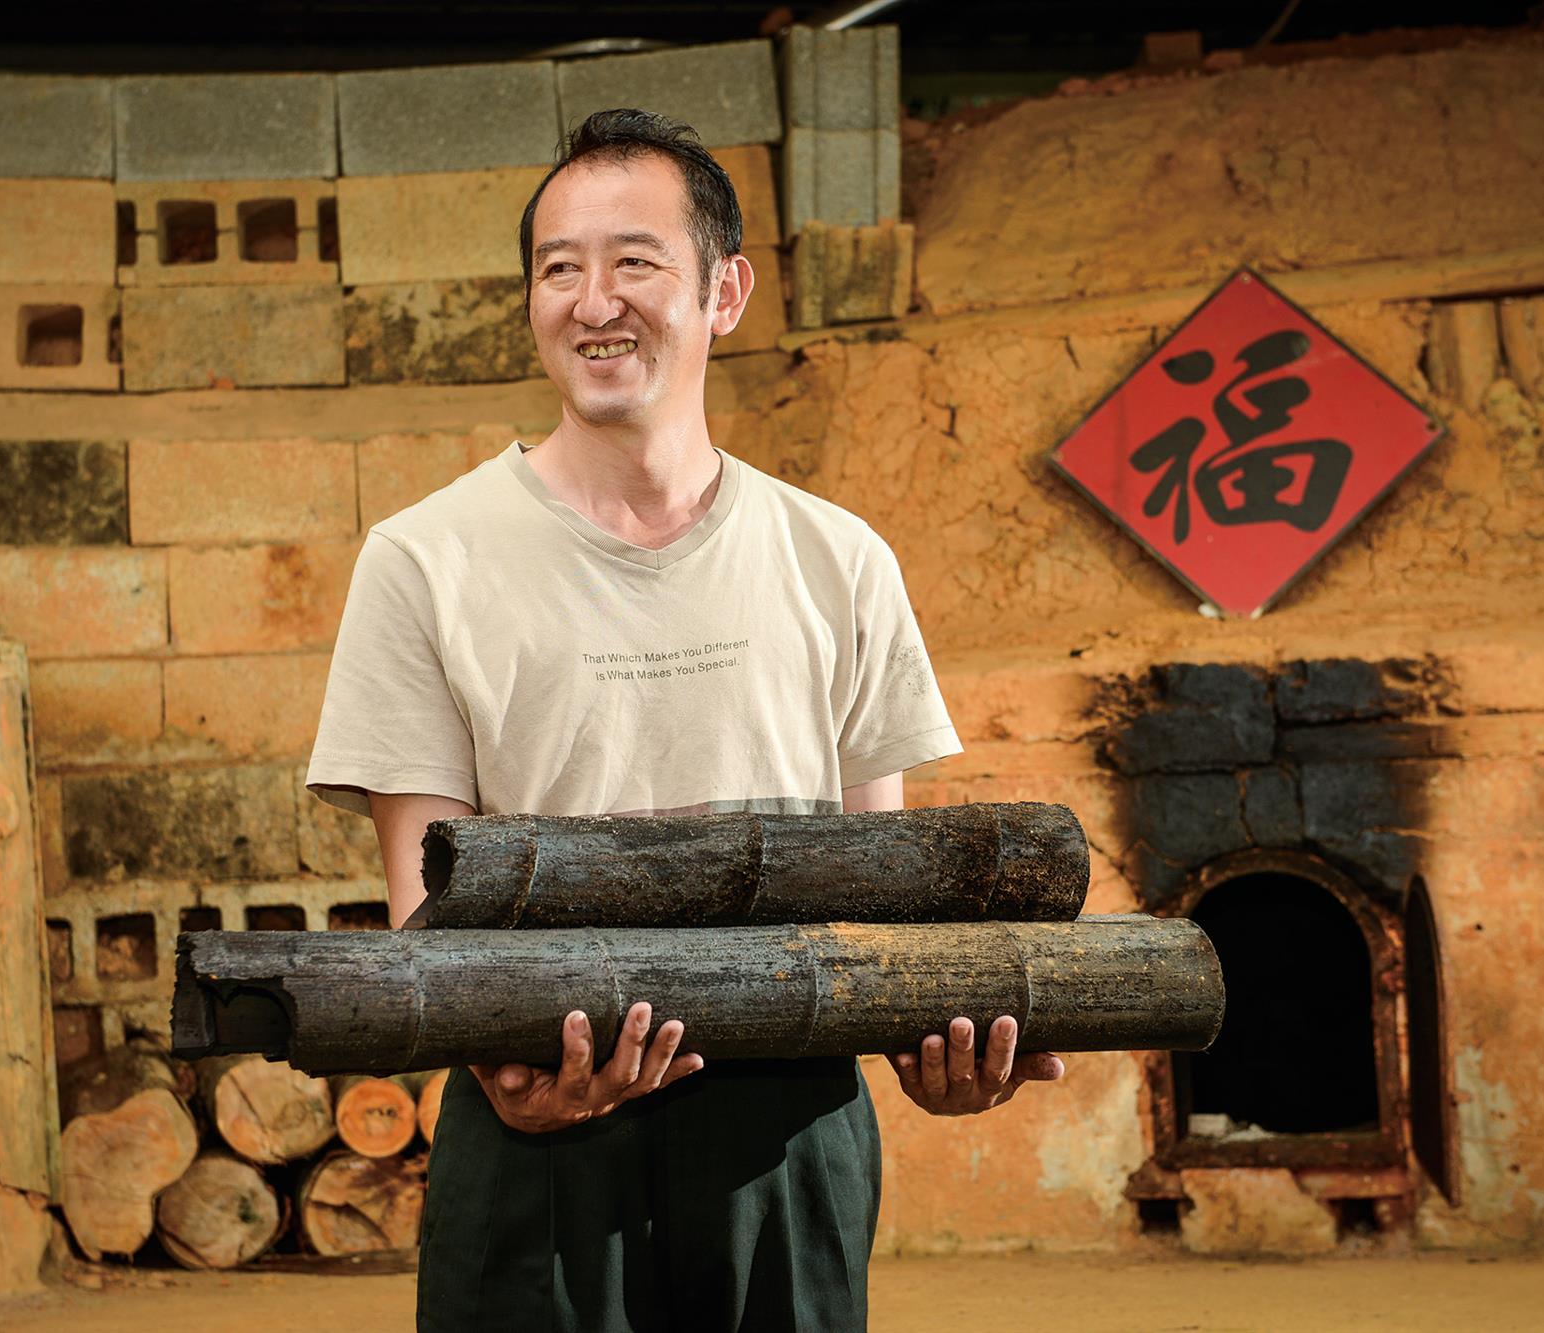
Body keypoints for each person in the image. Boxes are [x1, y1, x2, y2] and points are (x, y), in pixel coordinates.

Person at [306, 107, 1063, 1333]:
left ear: (724, 293)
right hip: (535, 1127)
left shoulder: (837, 560)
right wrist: (502, 1065)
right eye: (558, 269)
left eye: (634, 262)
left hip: (786, 1132)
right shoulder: (423, 561)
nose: (592, 301)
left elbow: (880, 898)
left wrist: (941, 1048)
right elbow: (422, 907)